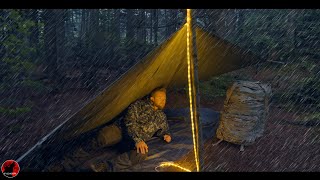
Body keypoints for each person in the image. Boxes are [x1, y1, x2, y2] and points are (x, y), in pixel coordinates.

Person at [89, 87, 171, 172]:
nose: (163, 100)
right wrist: (138, 140)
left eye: (164, 98)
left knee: (141, 154)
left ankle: (105, 167)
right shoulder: (139, 105)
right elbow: (129, 122)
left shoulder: (161, 116)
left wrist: (166, 135)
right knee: (104, 137)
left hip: (130, 143)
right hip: (121, 132)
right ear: (152, 99)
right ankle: (80, 153)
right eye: (160, 98)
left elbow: (163, 130)